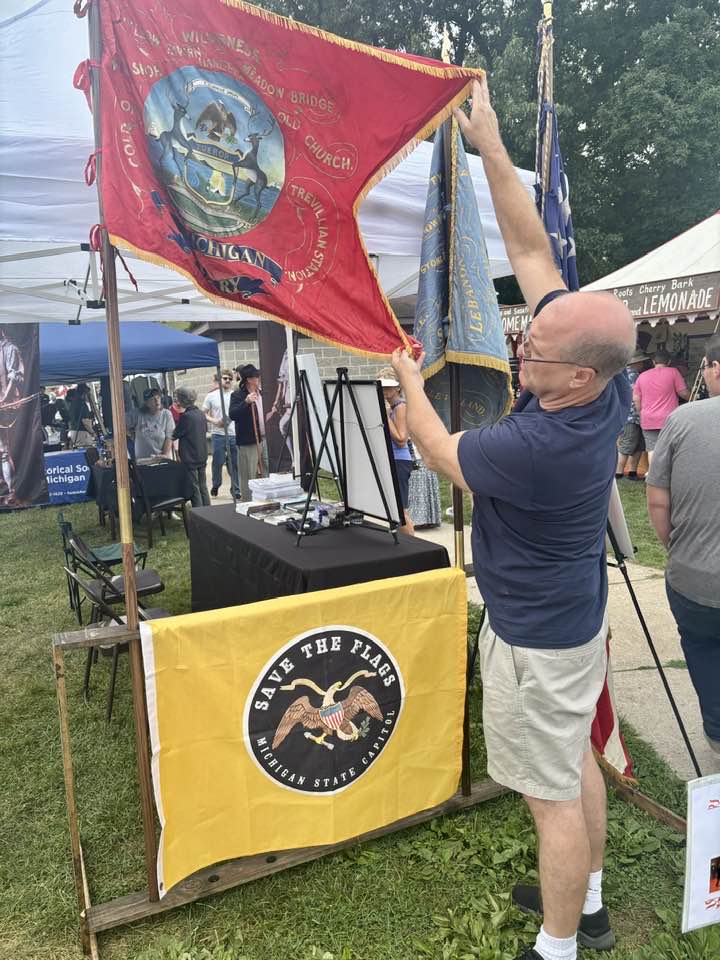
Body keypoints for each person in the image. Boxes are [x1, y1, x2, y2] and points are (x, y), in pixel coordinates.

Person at [391, 78, 636, 960]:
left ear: (581, 375)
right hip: (567, 621)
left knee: (550, 796)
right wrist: (490, 140)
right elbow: (531, 246)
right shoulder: (591, 372)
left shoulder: (538, 449)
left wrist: (409, 380)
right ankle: (595, 903)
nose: (521, 339)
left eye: (538, 344)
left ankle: (558, 945)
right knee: (573, 762)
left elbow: (436, 450)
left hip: (535, 636)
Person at [646, 335, 720, 763]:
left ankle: (718, 729)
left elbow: (658, 499)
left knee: (704, 648)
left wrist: (676, 547)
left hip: (695, 577)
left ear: (714, 367)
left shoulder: (683, 419)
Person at [632, 348, 689, 465]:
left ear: (653, 362)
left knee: (652, 449)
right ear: (668, 362)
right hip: (669, 419)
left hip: (648, 418)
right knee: (670, 447)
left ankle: (652, 476)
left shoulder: (642, 375)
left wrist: (641, 412)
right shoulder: (673, 372)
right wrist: (694, 399)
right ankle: (668, 474)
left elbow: (636, 398)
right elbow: (683, 393)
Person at [377, 367, 415, 536]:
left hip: (399, 461)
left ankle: (414, 549)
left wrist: (385, 416)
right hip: (393, 461)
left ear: (398, 387)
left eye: (388, 387)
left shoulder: (400, 407)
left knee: (401, 512)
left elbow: (401, 439)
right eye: (382, 387)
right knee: (395, 511)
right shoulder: (393, 406)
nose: (384, 390)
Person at [229, 363, 265, 501]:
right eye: (257, 376)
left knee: (266, 472)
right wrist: (246, 402)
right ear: (249, 379)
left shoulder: (261, 392)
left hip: (264, 439)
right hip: (249, 441)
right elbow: (232, 414)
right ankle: (248, 503)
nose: (259, 378)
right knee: (249, 475)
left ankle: (264, 500)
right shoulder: (238, 395)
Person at [202, 371, 240, 498]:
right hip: (218, 435)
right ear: (219, 379)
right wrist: (215, 421)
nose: (228, 380)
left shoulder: (235, 395)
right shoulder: (211, 396)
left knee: (234, 463)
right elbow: (203, 413)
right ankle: (216, 484)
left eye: (230, 378)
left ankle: (236, 490)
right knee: (217, 462)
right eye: (225, 378)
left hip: (234, 434)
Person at [173, 386, 210, 507]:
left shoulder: (186, 417)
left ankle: (199, 514)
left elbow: (176, 434)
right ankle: (209, 511)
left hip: (190, 456)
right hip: (202, 454)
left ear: (182, 400)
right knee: (203, 486)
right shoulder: (201, 414)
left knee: (195, 488)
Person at [0, 325, 23, 505]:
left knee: (5, 451)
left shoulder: (9, 349)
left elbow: (15, 377)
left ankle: (12, 490)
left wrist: (4, 399)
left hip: (7, 407)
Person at [615, 352, 647, 481]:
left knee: (636, 444)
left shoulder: (623, 374)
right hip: (633, 415)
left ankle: (630, 472)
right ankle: (619, 473)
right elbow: (636, 396)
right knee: (629, 445)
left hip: (629, 415)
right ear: (637, 363)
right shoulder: (634, 375)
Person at [134, 387, 174, 459]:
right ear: (146, 403)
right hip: (141, 461)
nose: (157, 401)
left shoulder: (166, 414)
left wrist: (165, 454)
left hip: (159, 459)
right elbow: (123, 423)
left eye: (158, 397)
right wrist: (131, 433)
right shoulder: (138, 414)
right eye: (152, 399)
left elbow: (169, 436)